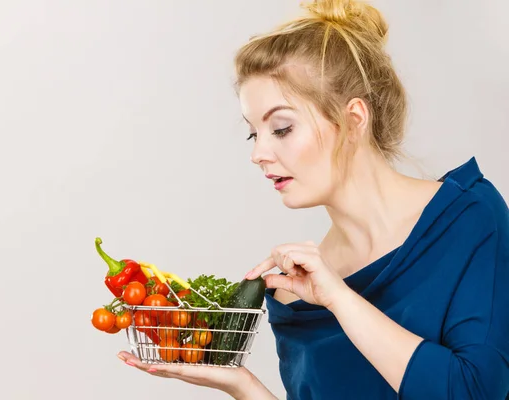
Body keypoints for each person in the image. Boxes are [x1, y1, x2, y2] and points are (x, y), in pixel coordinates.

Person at [117, 0, 509, 398]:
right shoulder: (292, 292)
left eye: (282, 128)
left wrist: (339, 299)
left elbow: (475, 390)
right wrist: (243, 386)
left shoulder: (469, 218)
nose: (258, 154)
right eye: (254, 134)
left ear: (354, 118)